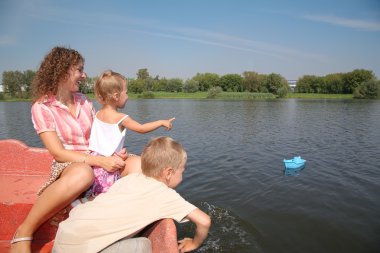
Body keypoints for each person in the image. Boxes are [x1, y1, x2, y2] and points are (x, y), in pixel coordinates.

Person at [10, 47, 127, 253]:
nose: (84, 75)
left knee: (140, 165)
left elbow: (99, 138)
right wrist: (100, 162)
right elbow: (58, 153)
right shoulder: (42, 107)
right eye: (79, 70)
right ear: (63, 71)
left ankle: (131, 219)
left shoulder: (84, 101)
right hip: (69, 164)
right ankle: (24, 231)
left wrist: (114, 152)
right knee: (83, 174)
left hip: (97, 156)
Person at [53, 136, 211, 253]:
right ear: (169, 173)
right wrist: (193, 243)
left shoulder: (130, 178)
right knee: (144, 245)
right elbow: (204, 221)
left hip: (62, 238)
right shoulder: (166, 196)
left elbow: (101, 199)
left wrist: (75, 203)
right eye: (182, 170)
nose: (183, 174)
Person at [86, 70, 175, 196]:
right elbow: (142, 128)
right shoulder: (121, 118)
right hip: (109, 165)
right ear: (116, 96)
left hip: (95, 162)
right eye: (126, 93)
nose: (128, 96)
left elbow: (104, 140)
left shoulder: (98, 114)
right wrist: (161, 122)